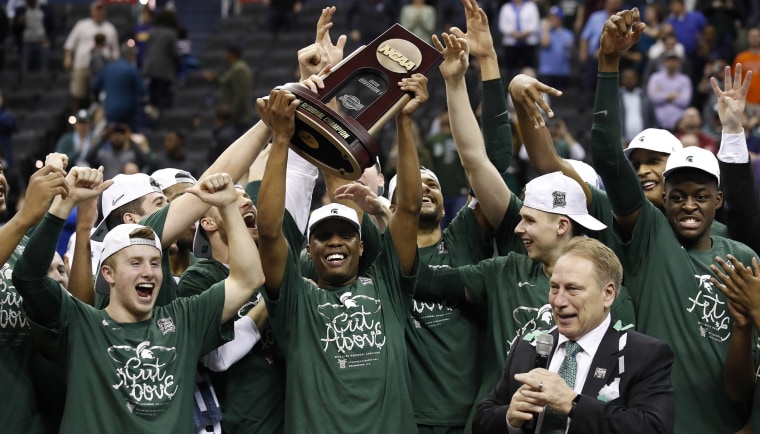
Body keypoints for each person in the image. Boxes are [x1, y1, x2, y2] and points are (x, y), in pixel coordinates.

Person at [588, 8, 757, 432]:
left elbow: (742, 386)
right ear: (663, 194)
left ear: (719, 200)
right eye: (676, 194)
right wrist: (609, 64)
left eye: (701, 196)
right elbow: (608, 153)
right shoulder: (650, 233)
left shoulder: (742, 256)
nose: (687, 205)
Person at [12, 165, 265, 433]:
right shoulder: (81, 323)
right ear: (108, 273)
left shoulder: (184, 320)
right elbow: (28, 277)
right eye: (135, 263)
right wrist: (63, 205)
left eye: (155, 263)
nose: (149, 272)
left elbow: (248, 278)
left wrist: (228, 207)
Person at [255, 63, 426, 432]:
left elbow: (408, 209)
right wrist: (281, 139)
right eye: (322, 236)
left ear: (362, 247)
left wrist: (404, 121)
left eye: (345, 234)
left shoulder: (388, 287)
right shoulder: (296, 303)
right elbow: (268, 233)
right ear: (309, 250)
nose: (334, 241)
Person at [473, 237, 675, 434]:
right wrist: (509, 418)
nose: (559, 301)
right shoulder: (528, 346)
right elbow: (482, 419)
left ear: (608, 294)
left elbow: (653, 427)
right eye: (554, 288)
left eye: (573, 289)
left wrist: (572, 403)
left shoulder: (642, 354)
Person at [0, 161, 68, 433]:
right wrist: (25, 215)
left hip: (37, 420)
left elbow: (74, 315)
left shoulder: (25, 247)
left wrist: (81, 214)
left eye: (1, 168)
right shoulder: (21, 227)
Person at [63, 1, 119, 110]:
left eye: (101, 10)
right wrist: (68, 58)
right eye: (96, 10)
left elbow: (115, 53)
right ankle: (77, 122)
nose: (99, 13)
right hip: (82, 65)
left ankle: (97, 123)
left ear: (104, 12)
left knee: (98, 98)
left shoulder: (110, 28)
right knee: (77, 95)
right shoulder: (82, 25)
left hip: (101, 70)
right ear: (92, 11)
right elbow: (70, 44)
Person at [92, 43, 146, 131]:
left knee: (113, 137)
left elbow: (95, 86)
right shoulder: (131, 69)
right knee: (129, 136)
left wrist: (98, 100)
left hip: (110, 110)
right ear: (131, 56)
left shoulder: (108, 68)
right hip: (129, 111)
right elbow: (142, 90)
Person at [201, 44, 252, 133]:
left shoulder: (239, 69)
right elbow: (226, 82)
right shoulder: (235, 67)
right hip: (233, 116)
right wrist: (215, 78)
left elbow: (240, 94)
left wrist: (232, 115)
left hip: (237, 118)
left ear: (231, 54)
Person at [142, 9, 180, 111]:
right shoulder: (171, 34)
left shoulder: (152, 32)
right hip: (164, 71)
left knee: (153, 95)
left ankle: (151, 114)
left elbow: (148, 49)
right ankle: (161, 119)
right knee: (163, 98)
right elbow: (175, 53)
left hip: (150, 69)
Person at [646, 50, 692, 131]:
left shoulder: (684, 80)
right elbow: (653, 97)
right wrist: (674, 95)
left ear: (679, 63)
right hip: (658, 123)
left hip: (679, 124)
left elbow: (685, 101)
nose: (672, 63)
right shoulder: (655, 78)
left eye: (674, 60)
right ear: (664, 62)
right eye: (669, 60)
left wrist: (662, 94)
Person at [733, 27, 760, 107]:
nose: (755, 38)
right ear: (748, 38)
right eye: (752, 36)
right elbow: (734, 80)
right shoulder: (741, 58)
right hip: (745, 102)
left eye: (757, 36)